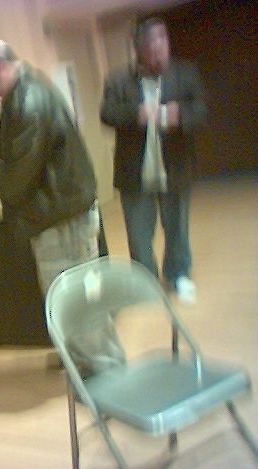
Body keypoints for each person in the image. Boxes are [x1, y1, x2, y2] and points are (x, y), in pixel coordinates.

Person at [0, 37, 99, 300]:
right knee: (79, 312)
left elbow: (16, 175)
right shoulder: (24, 93)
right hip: (65, 215)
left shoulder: (28, 102)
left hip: (63, 223)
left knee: (72, 313)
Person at [100, 17, 207, 304]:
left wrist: (180, 115)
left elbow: (201, 112)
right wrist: (136, 115)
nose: (160, 48)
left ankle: (178, 274)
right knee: (138, 234)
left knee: (177, 228)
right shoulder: (118, 79)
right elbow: (107, 114)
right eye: (152, 43)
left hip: (175, 168)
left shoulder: (184, 74)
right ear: (138, 49)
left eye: (164, 40)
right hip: (135, 173)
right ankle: (145, 283)